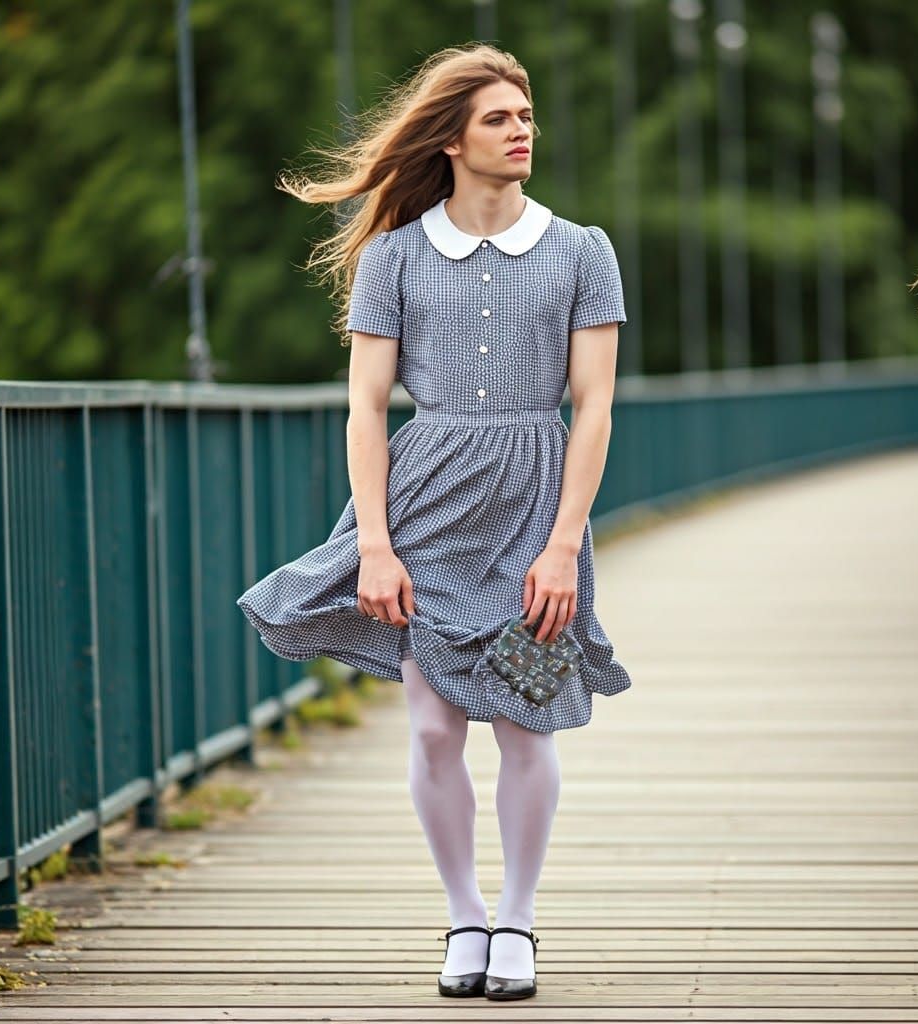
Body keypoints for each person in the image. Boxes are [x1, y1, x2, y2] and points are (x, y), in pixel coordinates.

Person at [235, 43, 632, 1001]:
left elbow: (596, 406)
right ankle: (464, 915)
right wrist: (373, 541)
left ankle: (520, 923)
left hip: (538, 510)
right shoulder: (394, 257)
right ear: (452, 139)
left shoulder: (583, 250)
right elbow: (366, 406)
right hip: (425, 510)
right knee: (431, 731)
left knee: (528, 727)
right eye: (499, 118)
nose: (521, 130)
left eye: (526, 115)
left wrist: (565, 544)